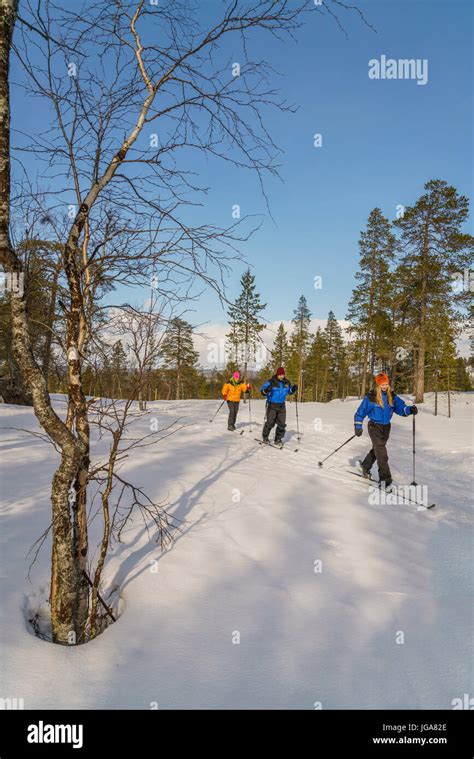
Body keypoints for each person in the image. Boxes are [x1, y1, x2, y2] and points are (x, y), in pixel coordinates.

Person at [354, 372, 418, 489]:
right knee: (382, 454)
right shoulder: (371, 397)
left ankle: (365, 465)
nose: (385, 386)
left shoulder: (392, 397)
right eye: (382, 384)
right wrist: (358, 426)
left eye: (386, 384)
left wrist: (410, 410)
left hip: (386, 428)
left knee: (378, 450)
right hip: (374, 427)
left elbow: (401, 409)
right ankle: (385, 480)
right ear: (378, 384)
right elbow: (360, 413)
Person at [260, 367, 297, 445]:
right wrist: (266, 390)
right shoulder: (271, 382)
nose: (281, 376)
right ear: (277, 374)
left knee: (281, 423)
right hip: (272, 404)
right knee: (270, 422)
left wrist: (293, 389)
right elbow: (262, 391)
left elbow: (289, 391)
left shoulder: (286, 382)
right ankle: (265, 437)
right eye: (280, 375)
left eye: (283, 375)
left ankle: (278, 439)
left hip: (281, 405)